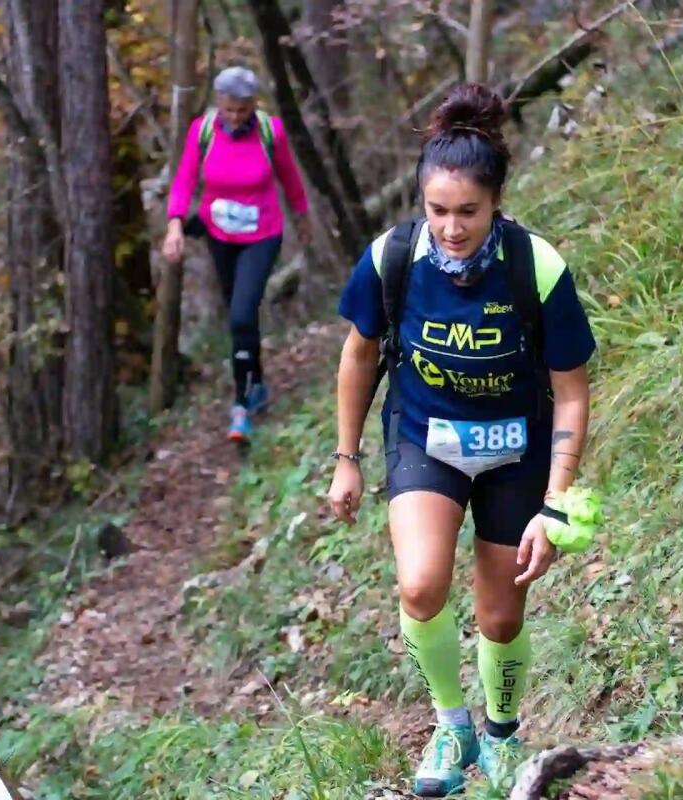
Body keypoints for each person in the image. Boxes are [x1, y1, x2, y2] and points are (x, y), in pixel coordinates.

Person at [327, 83, 597, 796]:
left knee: (500, 614)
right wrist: (347, 458)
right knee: (420, 585)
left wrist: (558, 499)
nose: (451, 227)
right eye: (438, 211)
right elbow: (359, 355)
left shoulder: (535, 267)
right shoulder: (391, 258)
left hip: (517, 452)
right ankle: (453, 726)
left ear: (496, 202)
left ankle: (504, 737)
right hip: (425, 439)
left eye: (468, 212)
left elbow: (571, 387)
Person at [162, 65, 312, 443]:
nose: (234, 117)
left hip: (263, 234)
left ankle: (240, 405)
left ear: (253, 105)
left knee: (243, 312)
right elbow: (183, 179)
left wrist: (303, 215)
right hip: (220, 235)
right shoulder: (204, 131)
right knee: (239, 319)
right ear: (219, 103)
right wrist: (175, 223)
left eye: (242, 110)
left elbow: (289, 177)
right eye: (228, 109)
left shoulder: (269, 131)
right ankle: (257, 382)